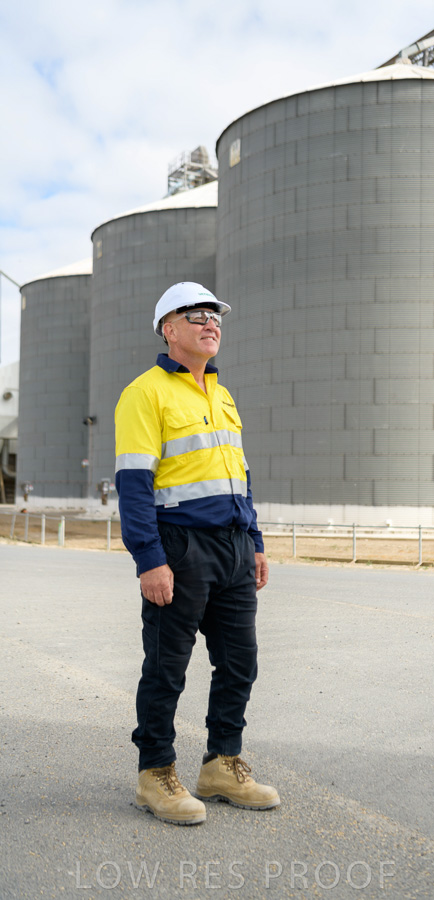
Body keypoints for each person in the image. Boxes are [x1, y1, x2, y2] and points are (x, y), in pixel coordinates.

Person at [115, 281, 279, 826]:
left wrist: (254, 541)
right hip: (180, 546)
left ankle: (221, 765)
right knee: (167, 667)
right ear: (169, 329)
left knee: (240, 662)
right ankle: (155, 773)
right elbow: (134, 484)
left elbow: (240, 476)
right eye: (198, 315)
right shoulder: (145, 393)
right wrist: (149, 559)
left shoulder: (222, 395)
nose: (212, 324)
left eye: (217, 317)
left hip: (233, 546)